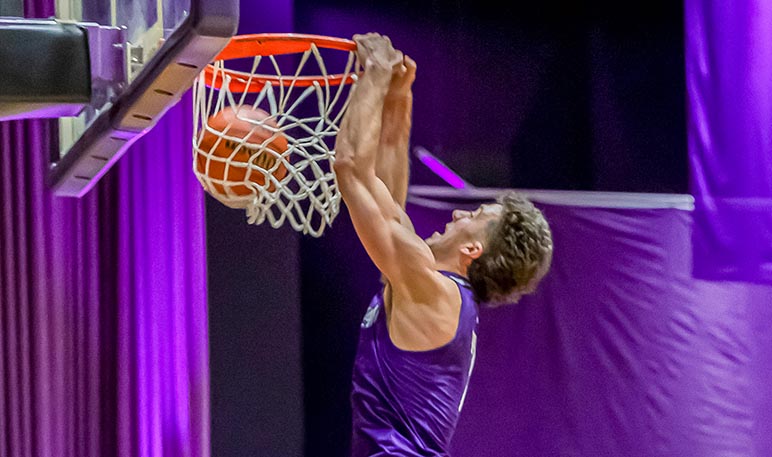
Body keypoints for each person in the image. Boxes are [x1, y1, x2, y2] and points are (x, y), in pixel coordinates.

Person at [333, 32, 554, 457]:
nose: (457, 215)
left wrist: (376, 74)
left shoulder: (430, 287)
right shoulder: (424, 283)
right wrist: (398, 100)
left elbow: (350, 168)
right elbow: (388, 196)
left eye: (474, 218)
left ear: (474, 252)